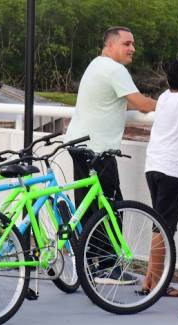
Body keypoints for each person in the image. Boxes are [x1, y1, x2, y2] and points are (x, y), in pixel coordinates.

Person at [65, 26, 157, 285]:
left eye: (133, 44)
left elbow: (120, 100)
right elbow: (140, 103)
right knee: (110, 206)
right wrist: (166, 106)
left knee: (88, 206)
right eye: (127, 44)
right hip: (97, 149)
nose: (132, 49)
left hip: (80, 142)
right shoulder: (115, 69)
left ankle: (89, 264)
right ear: (111, 45)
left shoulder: (96, 65)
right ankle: (105, 267)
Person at [139, 60, 178, 298]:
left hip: (152, 165)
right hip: (171, 170)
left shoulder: (163, 98)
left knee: (158, 223)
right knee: (163, 227)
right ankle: (158, 284)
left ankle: (149, 280)